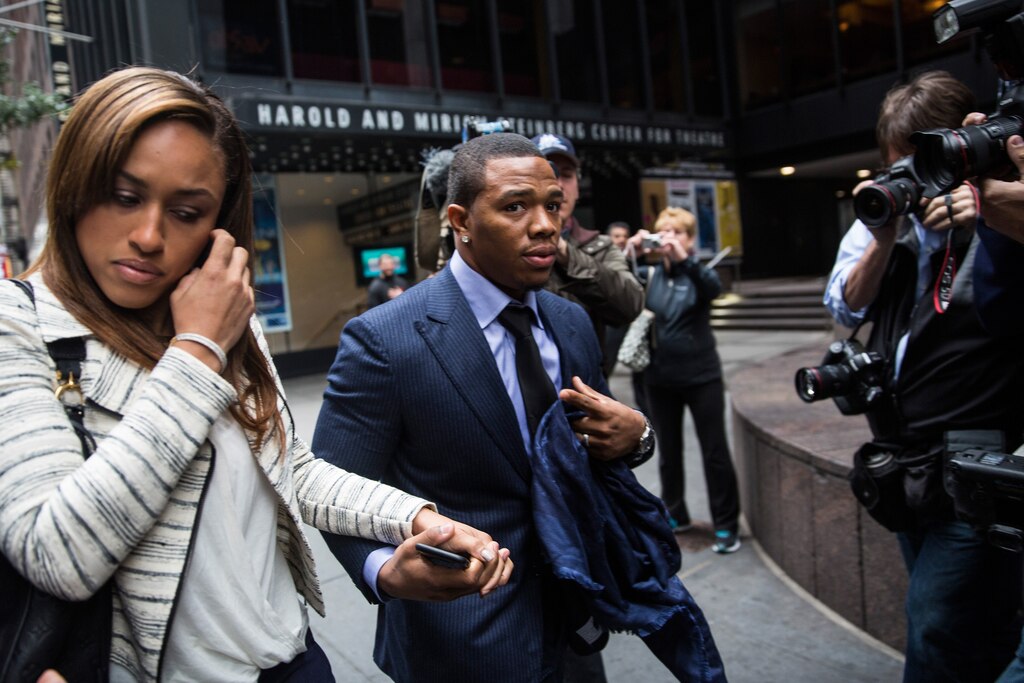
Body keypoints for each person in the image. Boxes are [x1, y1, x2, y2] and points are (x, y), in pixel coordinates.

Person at [0, 66, 512, 683]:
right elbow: (57, 553)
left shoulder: (221, 308)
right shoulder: (18, 323)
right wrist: (196, 349)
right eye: (124, 196)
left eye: (187, 212)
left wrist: (414, 518)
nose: (148, 236)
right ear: (73, 182)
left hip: (293, 660)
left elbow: (290, 468)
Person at [311, 133, 712, 682]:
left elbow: (597, 449)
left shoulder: (569, 322)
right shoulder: (385, 340)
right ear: (462, 220)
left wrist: (638, 436)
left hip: (577, 622)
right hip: (459, 635)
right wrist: (386, 571)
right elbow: (329, 486)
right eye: (515, 206)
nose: (545, 224)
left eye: (552, 205)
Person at [825, 71, 1024, 682]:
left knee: (935, 623)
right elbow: (844, 309)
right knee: (962, 625)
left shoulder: (1001, 207)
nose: (910, 182)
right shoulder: (890, 220)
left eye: (922, 165)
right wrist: (887, 235)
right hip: (907, 464)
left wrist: (983, 217)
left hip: (976, 459)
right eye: (897, 167)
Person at [626, 208, 741, 552]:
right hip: (660, 378)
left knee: (715, 452)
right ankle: (676, 513)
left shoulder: (698, 274)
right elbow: (619, 284)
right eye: (664, 232)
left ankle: (726, 525)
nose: (670, 239)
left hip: (702, 376)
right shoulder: (650, 275)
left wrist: (685, 260)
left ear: (690, 239)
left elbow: (714, 289)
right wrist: (629, 250)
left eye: (678, 232)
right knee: (669, 452)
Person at [530, 133, 644, 376]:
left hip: (587, 392)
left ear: (578, 187)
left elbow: (631, 305)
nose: (558, 184)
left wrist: (566, 254)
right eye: (548, 172)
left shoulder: (600, 246)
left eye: (567, 175)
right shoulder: (506, 245)